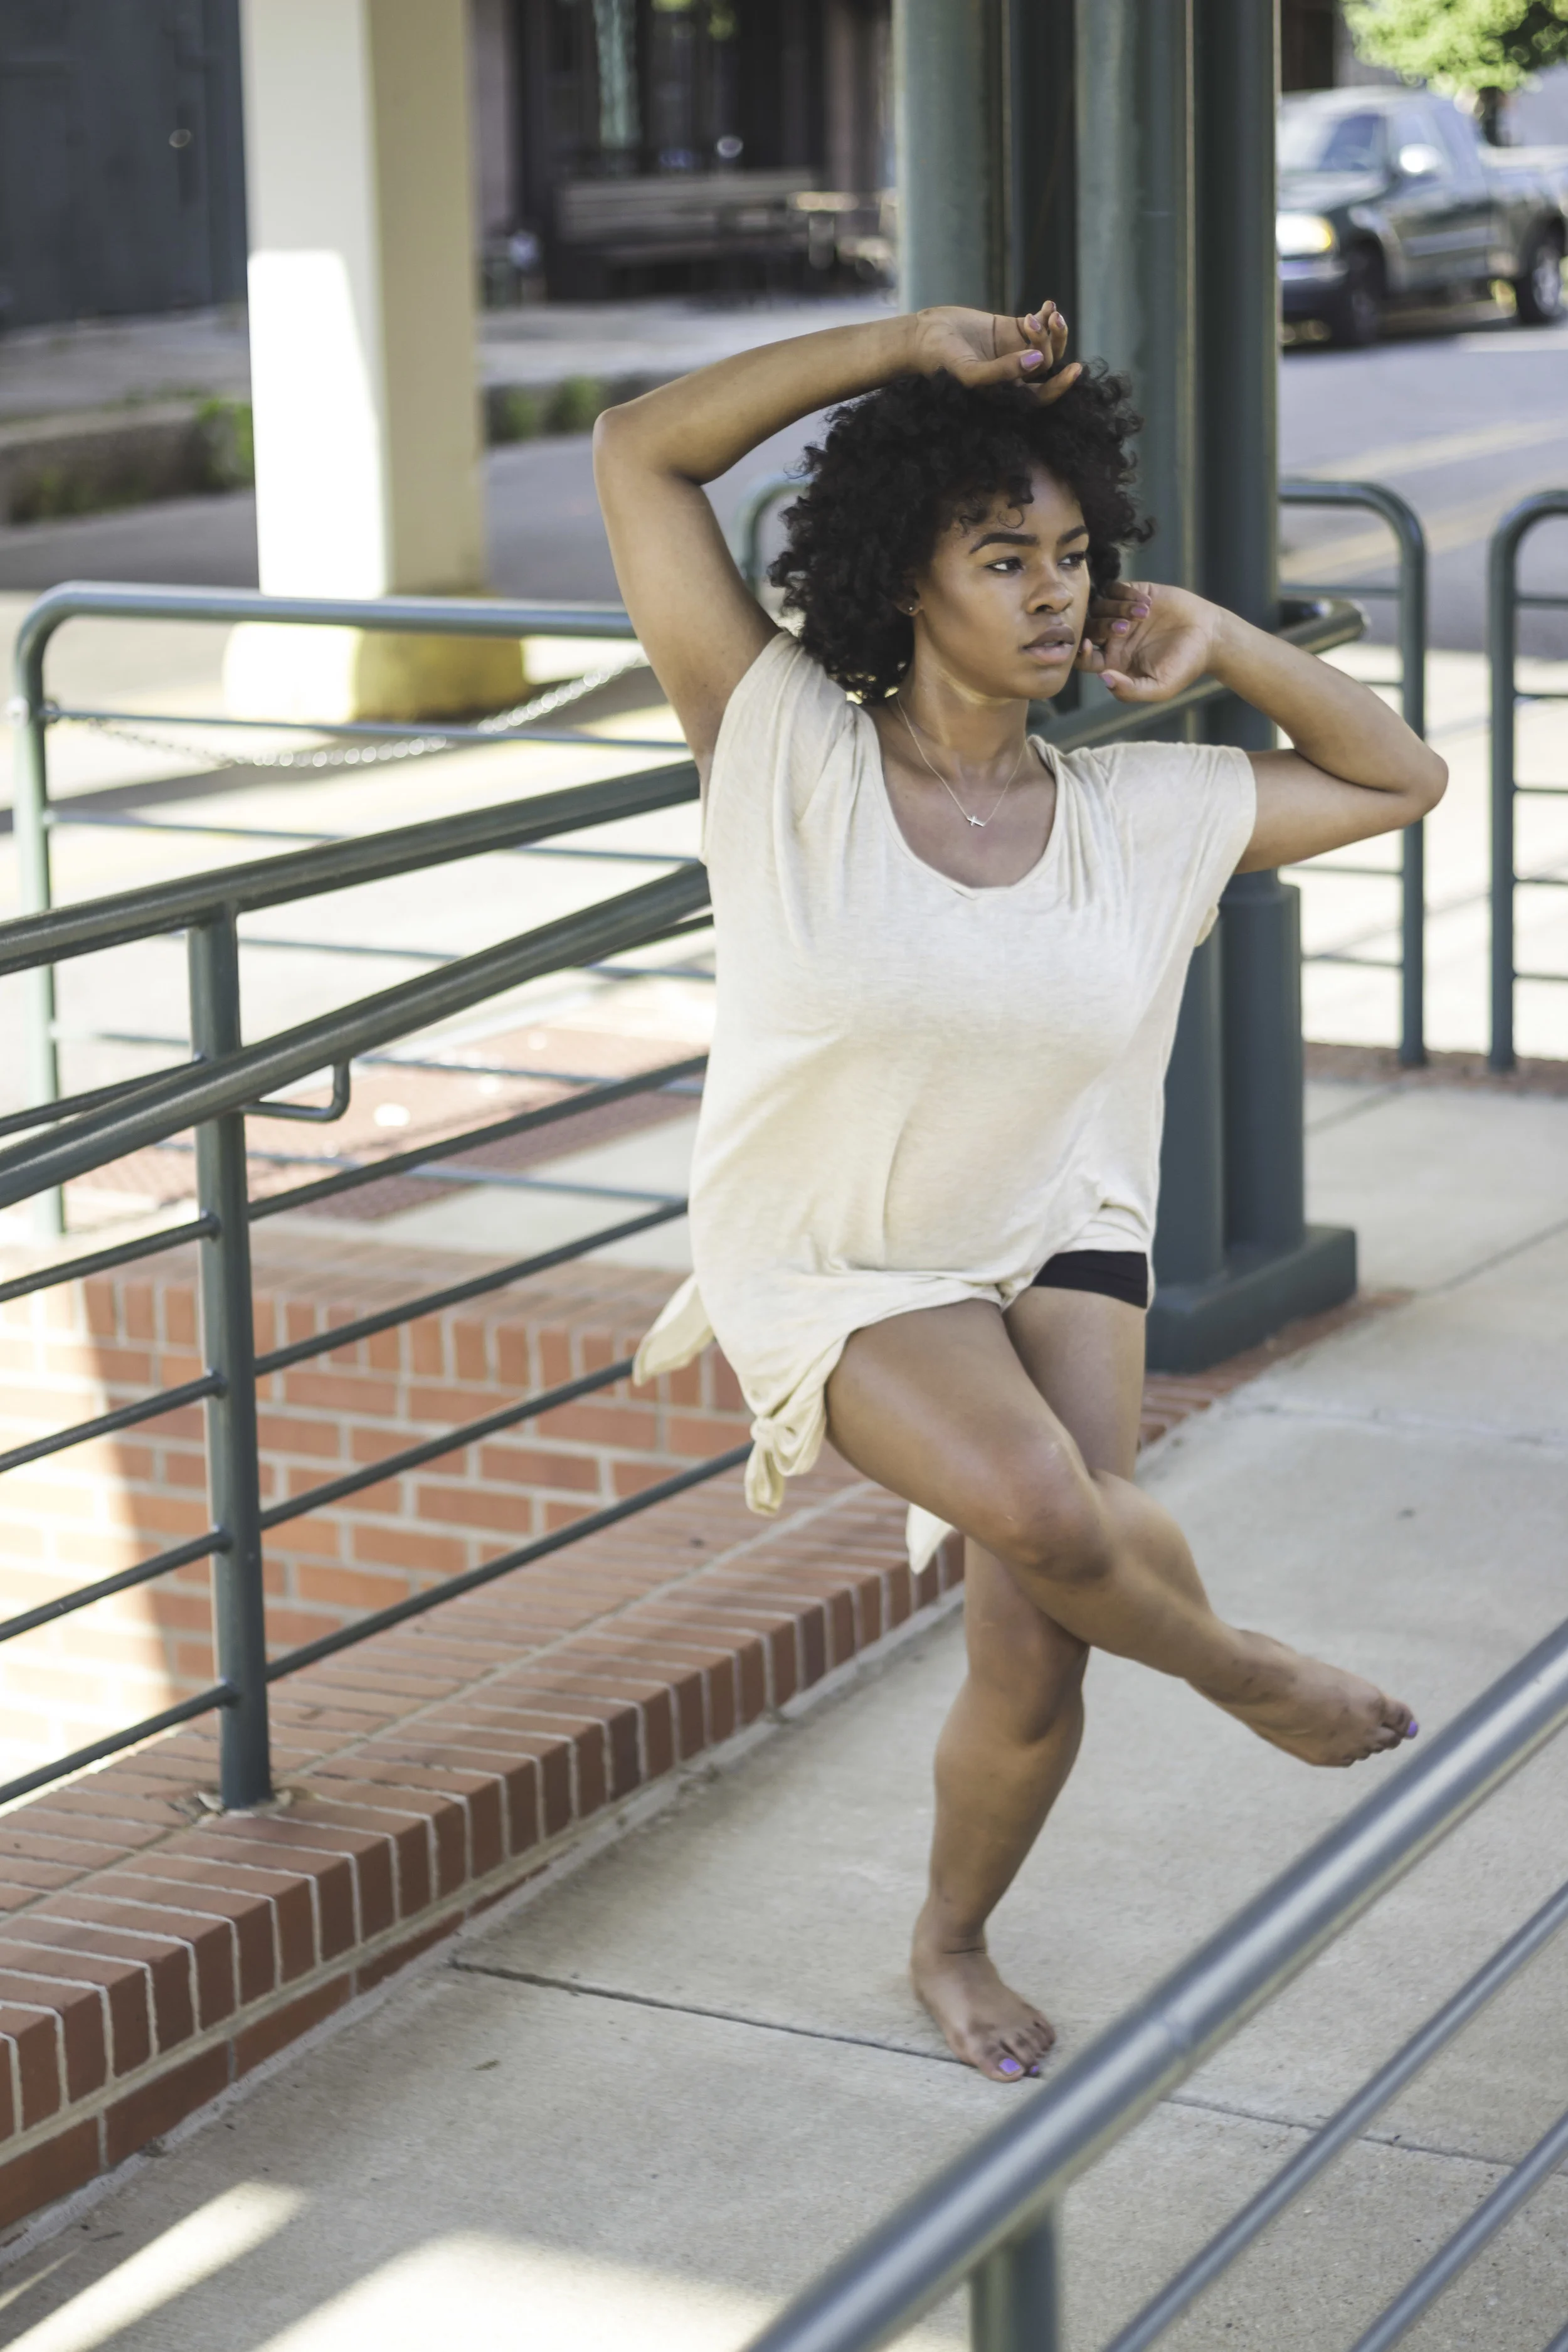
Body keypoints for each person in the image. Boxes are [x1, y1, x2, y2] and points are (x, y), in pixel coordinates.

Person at [593, 300, 1446, 2085]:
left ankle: (949, 1936)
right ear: (908, 574)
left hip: (1055, 1219)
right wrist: (900, 343)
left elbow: (1400, 776)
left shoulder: (1136, 809)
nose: (1056, 593)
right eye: (1004, 556)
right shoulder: (777, 750)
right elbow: (638, 452)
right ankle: (1243, 1671)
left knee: (1042, 1644)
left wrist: (1227, 636)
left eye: (1076, 556)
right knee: (1049, 1512)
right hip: (828, 1240)